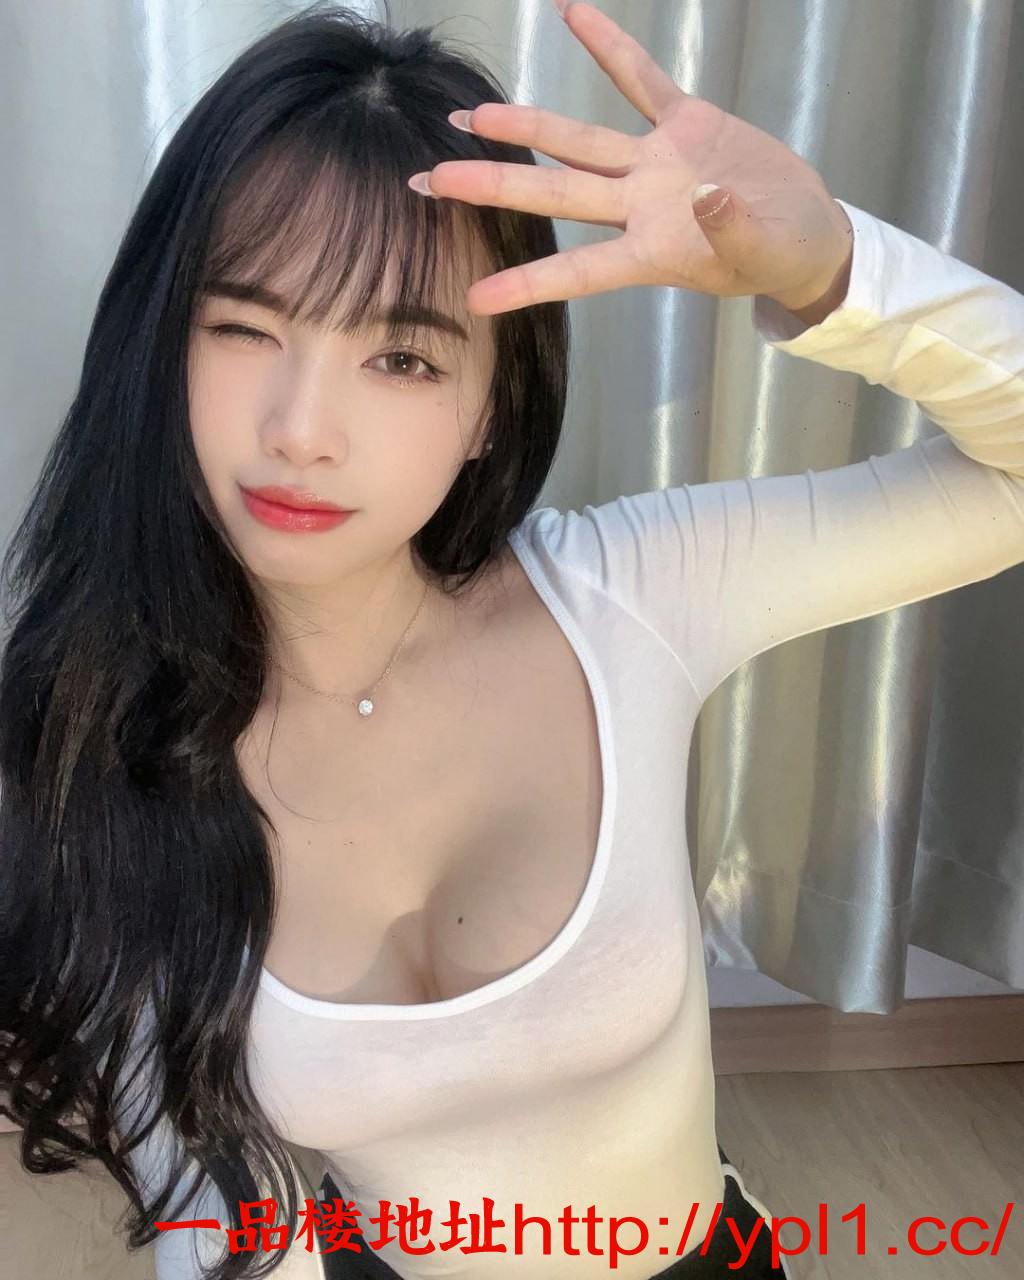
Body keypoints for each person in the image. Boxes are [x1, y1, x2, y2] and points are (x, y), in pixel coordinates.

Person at [2, 1, 1021, 1278]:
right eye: (246, 328)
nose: (300, 429)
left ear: (493, 401)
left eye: (403, 359)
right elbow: (216, 1209)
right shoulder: (93, 734)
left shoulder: (626, 599)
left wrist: (831, 269)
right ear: (164, 345)